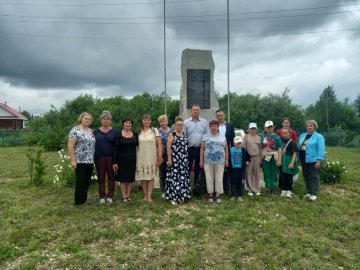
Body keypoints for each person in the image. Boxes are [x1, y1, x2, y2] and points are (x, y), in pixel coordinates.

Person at [68, 112, 96, 205]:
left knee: (87, 181)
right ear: (81, 119)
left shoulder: (91, 131)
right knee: (81, 180)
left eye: (89, 119)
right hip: (79, 160)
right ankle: (78, 202)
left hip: (90, 160)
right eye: (86, 118)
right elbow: (70, 146)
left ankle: (84, 200)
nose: (87, 120)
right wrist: (73, 160)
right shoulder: (75, 130)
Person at [200, 120, 228, 204]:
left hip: (220, 161)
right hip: (208, 161)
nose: (213, 127)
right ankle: (210, 195)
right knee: (209, 178)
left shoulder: (223, 136)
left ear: (218, 127)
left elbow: (226, 148)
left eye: (215, 126)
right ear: (210, 127)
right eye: (212, 126)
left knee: (219, 178)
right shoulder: (205, 136)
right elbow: (202, 149)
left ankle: (218, 195)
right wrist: (201, 161)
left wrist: (226, 160)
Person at [135, 114, 162, 202]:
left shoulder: (154, 130)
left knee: (150, 177)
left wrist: (159, 156)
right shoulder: (138, 131)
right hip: (141, 156)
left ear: (150, 121)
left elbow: (159, 144)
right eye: (145, 119)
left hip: (152, 156)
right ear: (142, 121)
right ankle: (145, 194)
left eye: (148, 120)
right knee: (143, 176)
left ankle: (149, 196)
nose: (146, 121)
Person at [165, 116, 191, 205]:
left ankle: (182, 196)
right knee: (175, 179)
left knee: (182, 178)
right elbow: (168, 147)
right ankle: (174, 197)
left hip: (183, 160)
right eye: (178, 125)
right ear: (175, 125)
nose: (179, 126)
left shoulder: (184, 134)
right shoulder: (172, 134)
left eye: (181, 125)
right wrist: (169, 159)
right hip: (175, 160)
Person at [184, 104, 210, 189]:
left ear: (200, 111)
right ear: (191, 111)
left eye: (197, 110)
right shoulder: (186, 122)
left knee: (199, 169)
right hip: (189, 149)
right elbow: (184, 136)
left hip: (200, 149)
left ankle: (197, 189)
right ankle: (186, 188)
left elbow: (207, 136)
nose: (196, 111)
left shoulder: (204, 122)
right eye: (194, 110)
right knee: (187, 169)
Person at [298, 119, 325, 201]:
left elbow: (321, 149)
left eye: (311, 126)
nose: (309, 127)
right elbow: (300, 147)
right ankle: (309, 192)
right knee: (306, 176)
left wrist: (319, 160)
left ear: (315, 127)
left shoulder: (319, 137)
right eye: (308, 126)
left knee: (313, 176)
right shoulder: (303, 135)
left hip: (314, 160)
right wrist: (299, 159)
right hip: (303, 159)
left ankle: (314, 193)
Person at [113, 117, 138, 203]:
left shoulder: (135, 134)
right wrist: (114, 162)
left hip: (132, 159)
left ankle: (128, 195)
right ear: (123, 124)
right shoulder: (118, 134)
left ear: (131, 125)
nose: (128, 124)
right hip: (121, 159)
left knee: (130, 178)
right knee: (123, 179)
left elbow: (137, 145)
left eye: (129, 123)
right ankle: (124, 196)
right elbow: (115, 149)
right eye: (126, 122)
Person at [94, 110, 117, 204]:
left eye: (107, 119)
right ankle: (102, 196)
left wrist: (115, 160)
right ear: (101, 120)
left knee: (111, 177)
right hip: (99, 157)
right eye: (104, 119)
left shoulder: (114, 131)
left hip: (111, 157)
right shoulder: (95, 132)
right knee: (101, 177)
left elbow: (116, 147)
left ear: (110, 120)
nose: (106, 121)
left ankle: (110, 196)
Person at [215, 109, 235, 196]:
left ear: (224, 115)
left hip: (228, 151)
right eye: (218, 116)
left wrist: (233, 151)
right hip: (217, 152)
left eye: (221, 115)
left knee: (227, 171)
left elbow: (233, 139)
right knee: (218, 171)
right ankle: (218, 190)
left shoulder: (230, 126)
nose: (220, 117)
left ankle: (227, 189)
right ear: (216, 117)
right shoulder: (214, 126)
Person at [261, 120, 282, 195]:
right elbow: (260, 147)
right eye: (268, 127)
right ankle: (267, 187)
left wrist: (279, 159)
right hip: (265, 156)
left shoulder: (277, 137)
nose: (270, 129)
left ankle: (273, 187)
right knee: (266, 172)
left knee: (274, 172)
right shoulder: (262, 136)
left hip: (274, 156)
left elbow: (279, 148)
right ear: (265, 128)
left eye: (271, 127)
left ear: (273, 127)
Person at [243, 123, 262, 197]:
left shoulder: (258, 137)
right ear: (249, 129)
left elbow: (260, 149)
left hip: (256, 157)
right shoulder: (246, 137)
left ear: (256, 129)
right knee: (248, 173)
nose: (253, 130)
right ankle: (250, 189)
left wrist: (260, 158)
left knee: (256, 173)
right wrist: (245, 159)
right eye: (251, 128)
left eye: (254, 128)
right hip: (249, 157)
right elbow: (244, 148)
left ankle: (256, 189)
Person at [279, 128, 299, 198]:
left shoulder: (292, 142)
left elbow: (294, 153)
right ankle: (284, 189)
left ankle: (289, 190)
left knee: (289, 176)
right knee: (283, 175)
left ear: (289, 134)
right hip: (283, 160)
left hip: (289, 160)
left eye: (286, 133)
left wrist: (292, 163)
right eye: (283, 133)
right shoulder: (280, 141)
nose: (284, 134)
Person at [229, 136, 251, 202]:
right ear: (234, 143)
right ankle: (233, 195)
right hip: (233, 169)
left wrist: (248, 161)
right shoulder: (230, 149)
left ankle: (240, 195)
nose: (238, 144)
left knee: (240, 182)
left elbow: (248, 157)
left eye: (240, 143)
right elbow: (228, 158)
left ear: (241, 143)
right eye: (237, 143)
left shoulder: (244, 150)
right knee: (233, 182)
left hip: (241, 170)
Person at [157, 115, 174, 196]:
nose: (163, 123)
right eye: (161, 122)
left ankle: (171, 189)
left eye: (164, 121)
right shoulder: (157, 131)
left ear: (167, 121)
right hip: (162, 153)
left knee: (171, 172)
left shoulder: (172, 130)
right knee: (162, 173)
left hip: (171, 153)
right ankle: (163, 190)